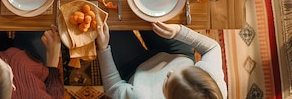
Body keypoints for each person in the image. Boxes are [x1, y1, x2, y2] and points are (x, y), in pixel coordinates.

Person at [94, 21, 227, 98]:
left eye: (168, 81)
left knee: (105, 22)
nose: (169, 72)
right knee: (147, 9)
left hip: (133, 69)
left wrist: (103, 48)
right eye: (183, 70)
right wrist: (178, 32)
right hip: (175, 53)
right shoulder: (213, 85)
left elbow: (113, 87)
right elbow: (212, 47)